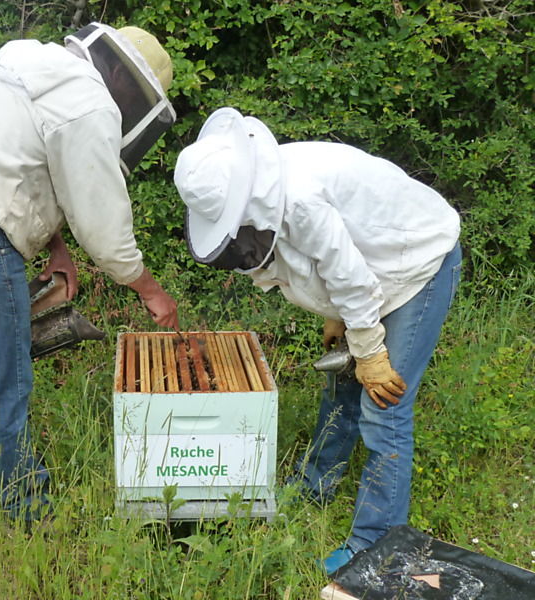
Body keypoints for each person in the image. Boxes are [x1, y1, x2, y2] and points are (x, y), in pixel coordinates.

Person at [0, 23, 179, 520]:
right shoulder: (89, 103)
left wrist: (56, 244)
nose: (129, 105)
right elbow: (102, 226)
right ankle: (25, 508)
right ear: (115, 69)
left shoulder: (30, 59)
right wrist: (150, 289)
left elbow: (17, 161)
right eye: (134, 91)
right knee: (6, 378)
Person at [173, 107, 461, 573]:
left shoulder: (300, 196)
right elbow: (323, 264)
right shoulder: (262, 185)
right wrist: (338, 317)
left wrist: (368, 347)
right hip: (371, 272)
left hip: (417, 266)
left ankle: (378, 544)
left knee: (384, 401)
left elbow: (349, 275)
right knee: (341, 385)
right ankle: (316, 485)